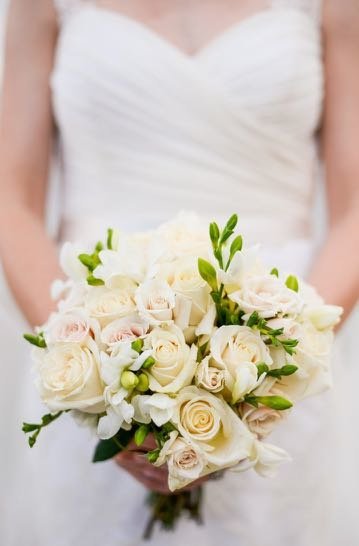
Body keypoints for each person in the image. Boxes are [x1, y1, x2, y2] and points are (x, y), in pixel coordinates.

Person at [0, 1, 358, 545]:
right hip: (97, 330)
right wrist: (88, 376)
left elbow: (355, 209)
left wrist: (276, 368)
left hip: (276, 355)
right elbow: (12, 200)